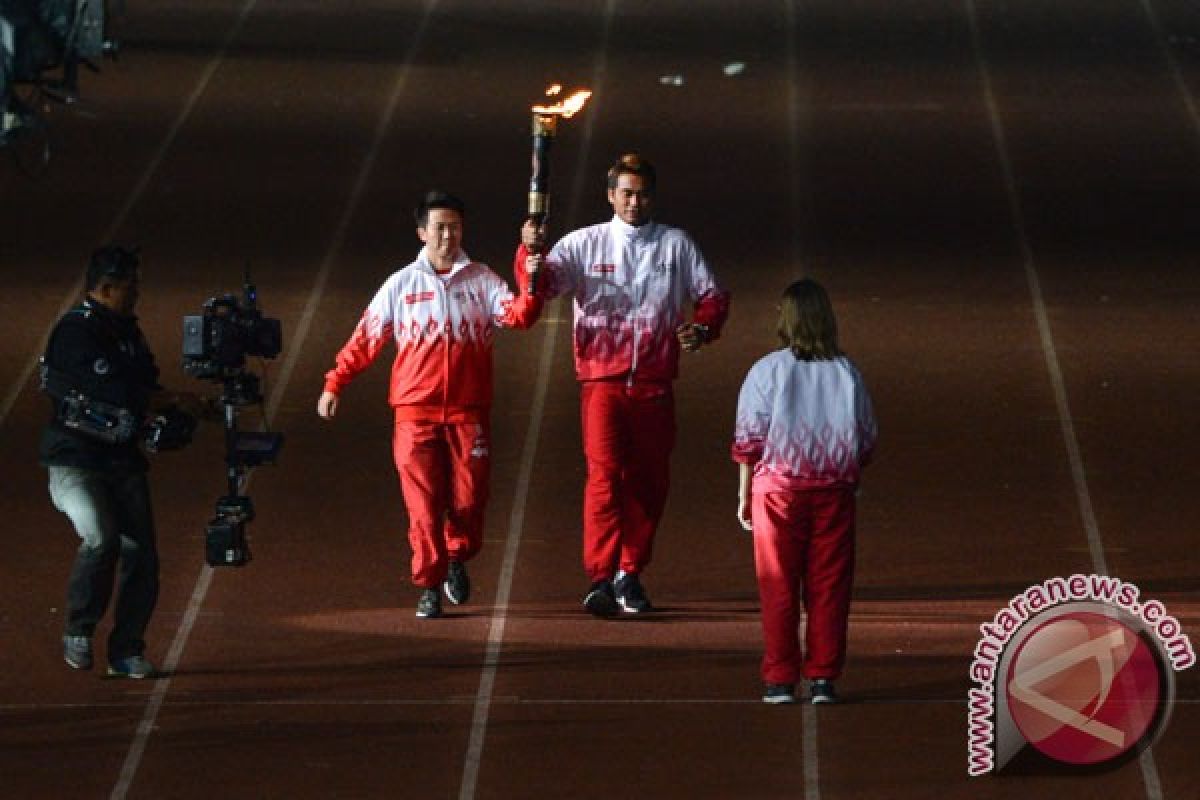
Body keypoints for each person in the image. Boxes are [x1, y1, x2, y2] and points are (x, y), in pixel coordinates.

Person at [517, 153, 731, 617]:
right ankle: (599, 576)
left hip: (654, 385)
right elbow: (541, 285)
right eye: (626, 193)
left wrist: (704, 327)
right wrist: (527, 253)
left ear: (653, 196)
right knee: (605, 479)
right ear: (610, 195)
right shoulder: (584, 244)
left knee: (649, 484)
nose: (635, 202)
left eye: (643, 194)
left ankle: (629, 573)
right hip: (603, 385)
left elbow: (712, 295)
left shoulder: (676, 245)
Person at [318, 190, 543, 619]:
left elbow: (520, 316)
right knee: (423, 508)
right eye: (439, 228)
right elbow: (367, 338)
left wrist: (529, 277)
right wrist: (335, 383)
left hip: (468, 414)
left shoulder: (480, 279)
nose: (447, 235)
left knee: (469, 502)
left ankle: (457, 556)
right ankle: (429, 584)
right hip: (414, 417)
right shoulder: (401, 284)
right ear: (422, 233)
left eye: (454, 227)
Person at [40, 245, 206, 678]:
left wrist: (176, 410)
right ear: (106, 288)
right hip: (75, 461)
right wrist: (172, 399)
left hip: (121, 460)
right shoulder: (76, 333)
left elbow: (145, 383)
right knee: (101, 536)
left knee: (142, 555)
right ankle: (79, 628)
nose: (137, 295)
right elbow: (113, 392)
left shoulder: (127, 332)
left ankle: (126, 650)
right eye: (130, 288)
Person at [731, 278, 877, 705]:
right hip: (833, 494)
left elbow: (748, 441)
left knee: (778, 587)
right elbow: (866, 440)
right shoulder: (848, 373)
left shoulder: (767, 370)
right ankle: (823, 679)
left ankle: (779, 680)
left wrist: (744, 494)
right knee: (829, 589)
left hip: (778, 495)